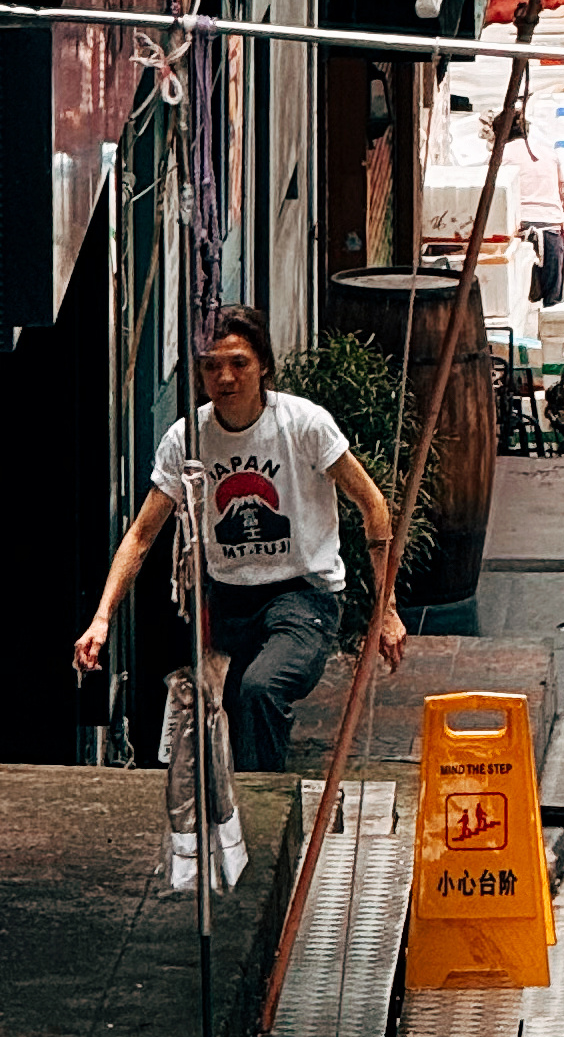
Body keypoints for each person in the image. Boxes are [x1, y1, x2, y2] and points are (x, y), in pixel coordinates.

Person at [74, 306, 406, 774]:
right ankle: (242, 822)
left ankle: (263, 819)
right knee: (222, 718)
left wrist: (385, 609)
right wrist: (102, 618)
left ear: (264, 365)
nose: (225, 377)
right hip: (230, 601)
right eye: (211, 365)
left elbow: (373, 504)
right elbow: (142, 534)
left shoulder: (304, 424)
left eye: (239, 363)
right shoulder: (187, 438)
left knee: (260, 690)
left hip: (303, 596)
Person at [506, 104, 564, 302]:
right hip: (551, 233)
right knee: (552, 304)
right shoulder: (549, 154)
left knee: (516, 304)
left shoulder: (500, 157)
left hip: (519, 236)